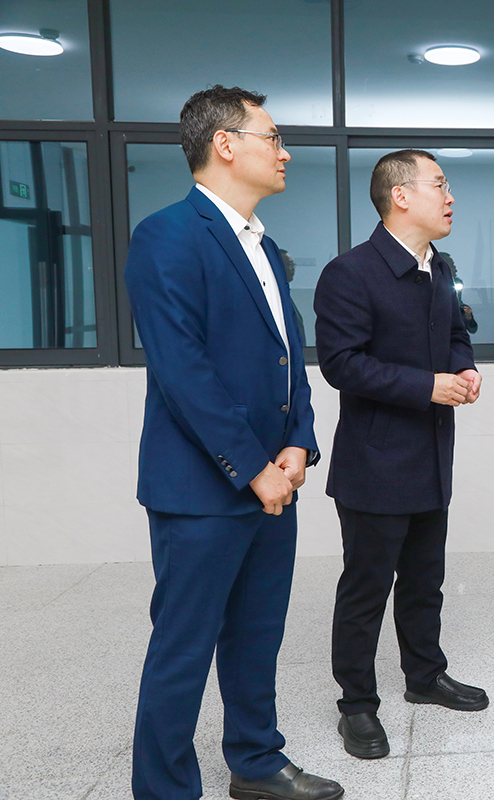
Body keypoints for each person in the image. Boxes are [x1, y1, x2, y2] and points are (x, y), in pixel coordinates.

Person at [124, 86, 342, 800]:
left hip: (275, 481)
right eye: (272, 137)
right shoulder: (167, 236)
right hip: (203, 488)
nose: (284, 153)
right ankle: (165, 790)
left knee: (256, 636)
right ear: (225, 144)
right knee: (183, 648)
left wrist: (299, 444)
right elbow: (182, 371)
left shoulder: (264, 246)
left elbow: (289, 355)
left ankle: (255, 761)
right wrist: (251, 467)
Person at [314, 149, 487, 761]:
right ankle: (357, 705)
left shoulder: (439, 267)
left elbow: (457, 334)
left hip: (432, 454)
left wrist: (464, 369)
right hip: (375, 462)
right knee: (366, 589)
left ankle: (424, 675)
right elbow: (341, 364)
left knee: (424, 578)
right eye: (440, 184)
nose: (450, 197)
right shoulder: (349, 273)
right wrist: (426, 386)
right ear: (401, 196)